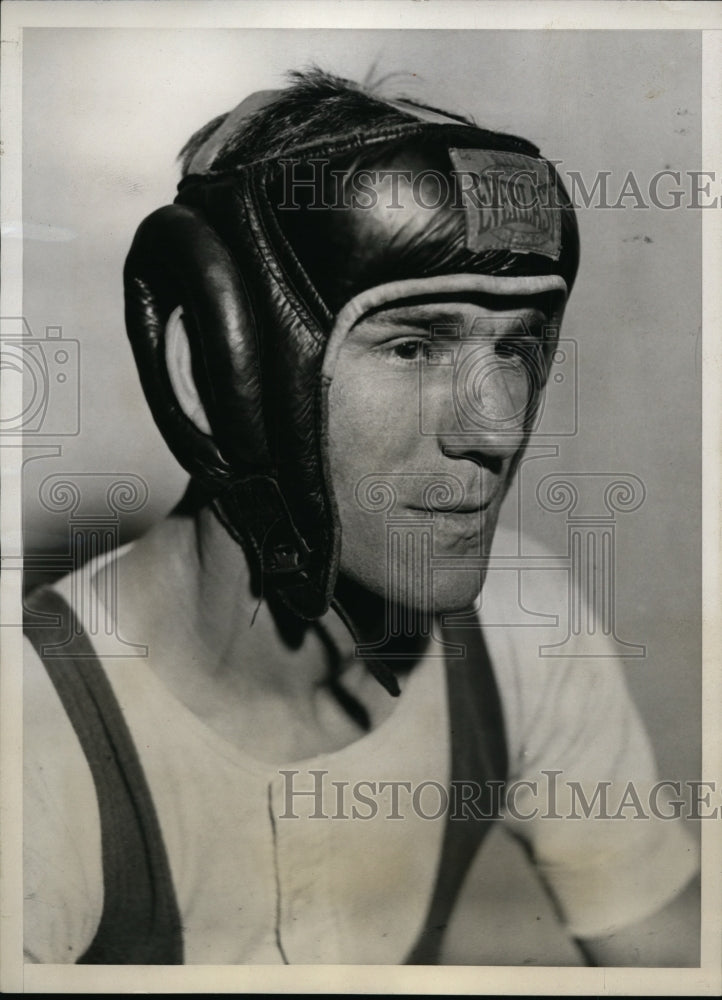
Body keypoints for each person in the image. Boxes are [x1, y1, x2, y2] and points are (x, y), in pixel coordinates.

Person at [23, 69, 699, 966]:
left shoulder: (520, 630)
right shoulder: (28, 741)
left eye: (515, 347)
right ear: (218, 368)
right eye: (414, 346)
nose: (496, 428)